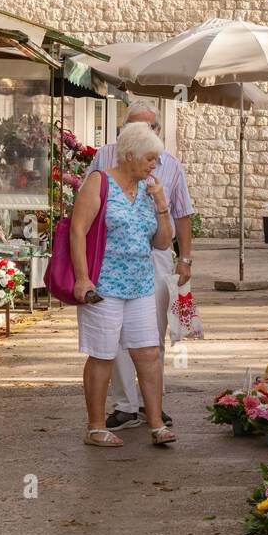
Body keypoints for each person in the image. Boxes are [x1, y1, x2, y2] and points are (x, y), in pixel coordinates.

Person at [88, 101, 193, 430]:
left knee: (152, 332)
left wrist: (186, 258)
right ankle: (125, 404)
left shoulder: (170, 165)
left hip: (156, 252)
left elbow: (183, 213)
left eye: (148, 127)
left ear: (158, 130)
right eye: (132, 125)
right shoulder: (105, 157)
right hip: (112, 257)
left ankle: (153, 404)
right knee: (114, 335)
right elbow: (84, 212)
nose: (140, 132)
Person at [71, 122, 176, 448]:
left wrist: (161, 205)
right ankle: (96, 426)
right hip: (104, 287)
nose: (153, 166)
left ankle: (156, 424)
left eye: (155, 160)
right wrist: (83, 277)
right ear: (129, 155)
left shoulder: (148, 190)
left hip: (141, 284)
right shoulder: (99, 182)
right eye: (149, 159)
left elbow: (162, 243)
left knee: (148, 354)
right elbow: (77, 230)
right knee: (102, 355)